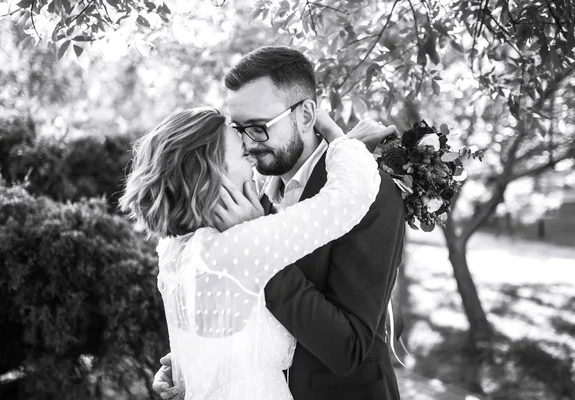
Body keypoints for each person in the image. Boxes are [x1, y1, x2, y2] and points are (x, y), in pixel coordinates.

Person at [154, 46, 405, 400]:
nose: (246, 143)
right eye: (237, 129)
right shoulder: (243, 196)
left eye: (257, 128)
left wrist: (259, 253)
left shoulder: (372, 194)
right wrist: (196, 365)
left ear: (305, 115)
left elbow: (348, 349)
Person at [120, 104, 382, 399]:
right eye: (244, 155)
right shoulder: (241, 243)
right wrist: (336, 134)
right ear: (212, 173)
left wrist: (187, 372)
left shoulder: (171, 250)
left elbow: (217, 339)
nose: (254, 163)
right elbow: (350, 195)